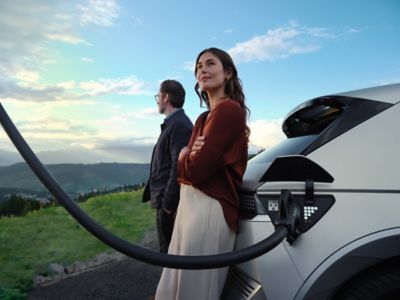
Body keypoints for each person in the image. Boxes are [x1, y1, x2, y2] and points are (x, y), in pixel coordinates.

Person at [155, 48, 250, 299]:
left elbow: (196, 169)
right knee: (174, 284)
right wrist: (189, 157)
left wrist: (185, 158)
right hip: (190, 207)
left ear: (227, 73)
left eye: (210, 64)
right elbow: (190, 164)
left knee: (194, 289)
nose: (202, 69)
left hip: (209, 208)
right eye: (198, 66)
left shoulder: (229, 110)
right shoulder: (203, 118)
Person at [142, 79, 193, 253]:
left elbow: (177, 168)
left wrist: (167, 205)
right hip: (165, 200)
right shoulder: (174, 123)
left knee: (170, 254)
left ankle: (175, 282)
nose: (157, 100)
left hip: (168, 203)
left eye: (158, 96)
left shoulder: (179, 125)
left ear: (165, 97)